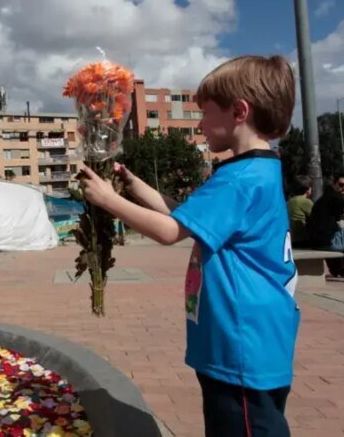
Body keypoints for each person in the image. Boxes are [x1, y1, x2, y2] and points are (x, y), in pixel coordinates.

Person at [79, 55, 299, 436]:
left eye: (205, 113)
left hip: (239, 347)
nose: (199, 124)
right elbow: (187, 218)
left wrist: (108, 200)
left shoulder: (238, 178)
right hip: (254, 340)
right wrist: (134, 185)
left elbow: (169, 232)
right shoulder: (259, 170)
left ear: (239, 112)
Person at [287, 175, 344, 277]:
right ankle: (343, 266)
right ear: (308, 190)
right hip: (304, 238)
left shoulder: (289, 202)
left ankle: (338, 269)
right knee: (330, 239)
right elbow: (318, 215)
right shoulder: (305, 202)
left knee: (324, 239)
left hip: (294, 239)